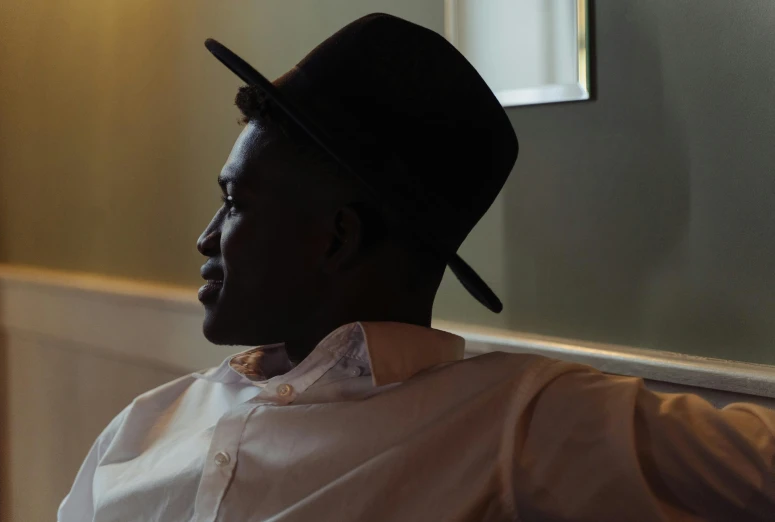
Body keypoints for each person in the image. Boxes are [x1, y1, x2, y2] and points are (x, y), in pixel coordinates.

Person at [58, 13, 775, 522]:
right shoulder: (144, 426)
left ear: (336, 239)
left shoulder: (515, 421)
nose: (205, 237)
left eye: (235, 203)